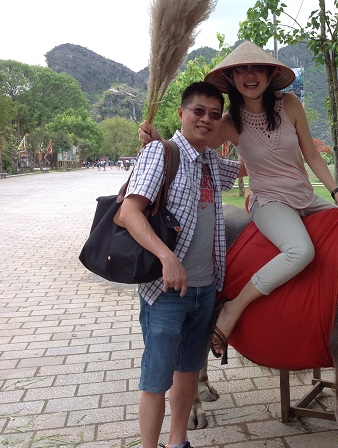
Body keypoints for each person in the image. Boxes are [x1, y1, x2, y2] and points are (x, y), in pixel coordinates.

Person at [139, 40, 338, 365]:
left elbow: (312, 155)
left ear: (270, 74)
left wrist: (337, 193)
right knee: (301, 251)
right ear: (232, 80)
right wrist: (158, 141)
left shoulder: (290, 104)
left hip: (306, 197)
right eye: (240, 70)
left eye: (256, 68)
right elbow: (192, 142)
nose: (249, 75)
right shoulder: (229, 122)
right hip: (269, 201)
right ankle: (234, 307)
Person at [121, 81, 242, 448]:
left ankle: (177, 442)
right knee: (156, 379)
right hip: (167, 289)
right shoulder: (160, 154)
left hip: (205, 289)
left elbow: (249, 164)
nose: (206, 120)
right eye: (198, 112)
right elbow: (129, 212)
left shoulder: (210, 161)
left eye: (214, 115)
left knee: (188, 371)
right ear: (182, 114)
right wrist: (167, 257)